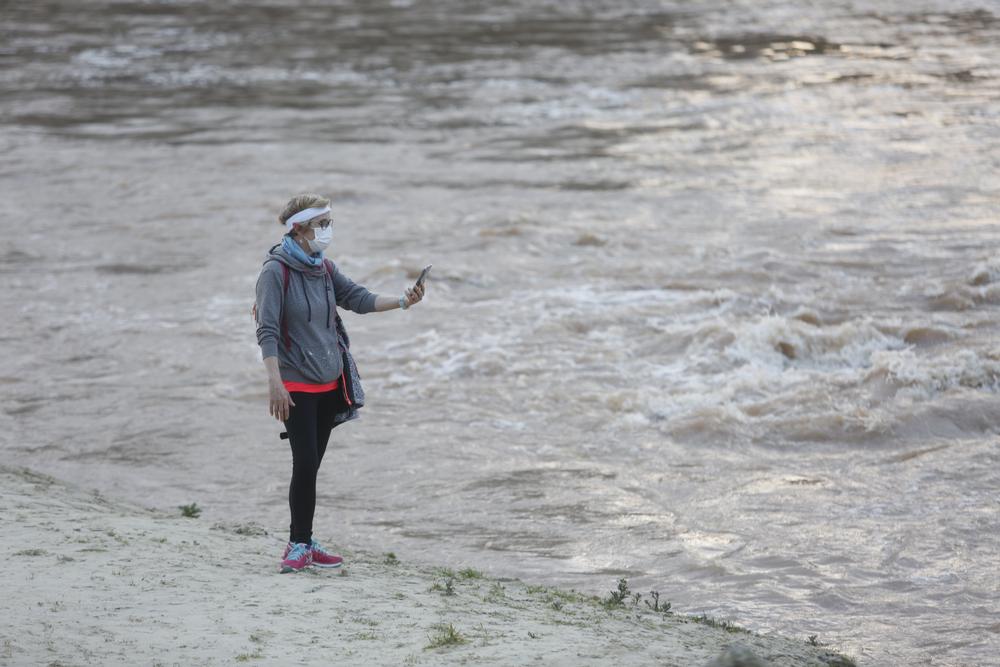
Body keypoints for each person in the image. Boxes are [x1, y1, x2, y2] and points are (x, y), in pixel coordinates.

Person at [254, 193, 425, 573]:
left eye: (330, 223)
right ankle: (297, 545)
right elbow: (265, 330)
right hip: (295, 384)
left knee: (312, 466)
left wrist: (402, 301)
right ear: (299, 229)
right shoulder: (274, 272)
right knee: (305, 462)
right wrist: (274, 382)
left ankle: (306, 540)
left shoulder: (324, 268)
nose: (328, 230)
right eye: (323, 224)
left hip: (331, 384)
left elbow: (357, 299)